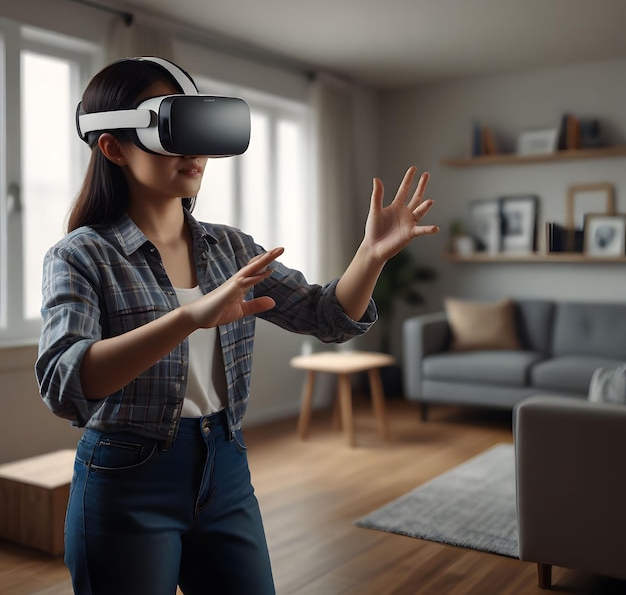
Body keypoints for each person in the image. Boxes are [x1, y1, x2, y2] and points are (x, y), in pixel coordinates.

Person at [35, 57, 438, 595]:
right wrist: (188, 318)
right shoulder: (81, 256)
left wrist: (371, 255)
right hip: (126, 479)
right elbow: (65, 384)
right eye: (173, 132)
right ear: (113, 146)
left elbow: (327, 316)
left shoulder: (230, 248)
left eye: (201, 132)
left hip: (223, 466)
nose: (196, 152)